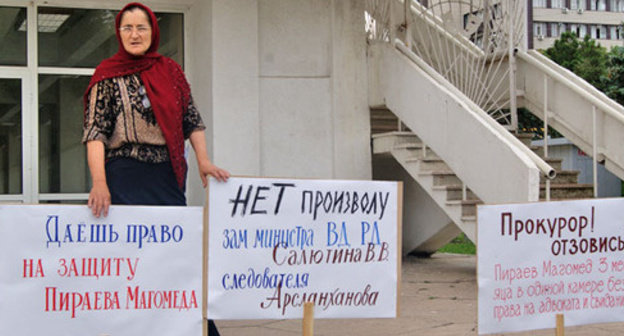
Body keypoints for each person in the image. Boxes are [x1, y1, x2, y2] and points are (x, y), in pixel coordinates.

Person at [82, 3, 227, 335]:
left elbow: (191, 119)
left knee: (177, 258)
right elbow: (95, 134)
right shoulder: (107, 73)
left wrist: (203, 160)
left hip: (165, 175)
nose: (135, 34)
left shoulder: (171, 71)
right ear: (119, 33)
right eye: (128, 28)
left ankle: (195, 329)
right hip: (124, 176)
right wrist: (99, 182)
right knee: (132, 261)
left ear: (153, 31)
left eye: (141, 27)